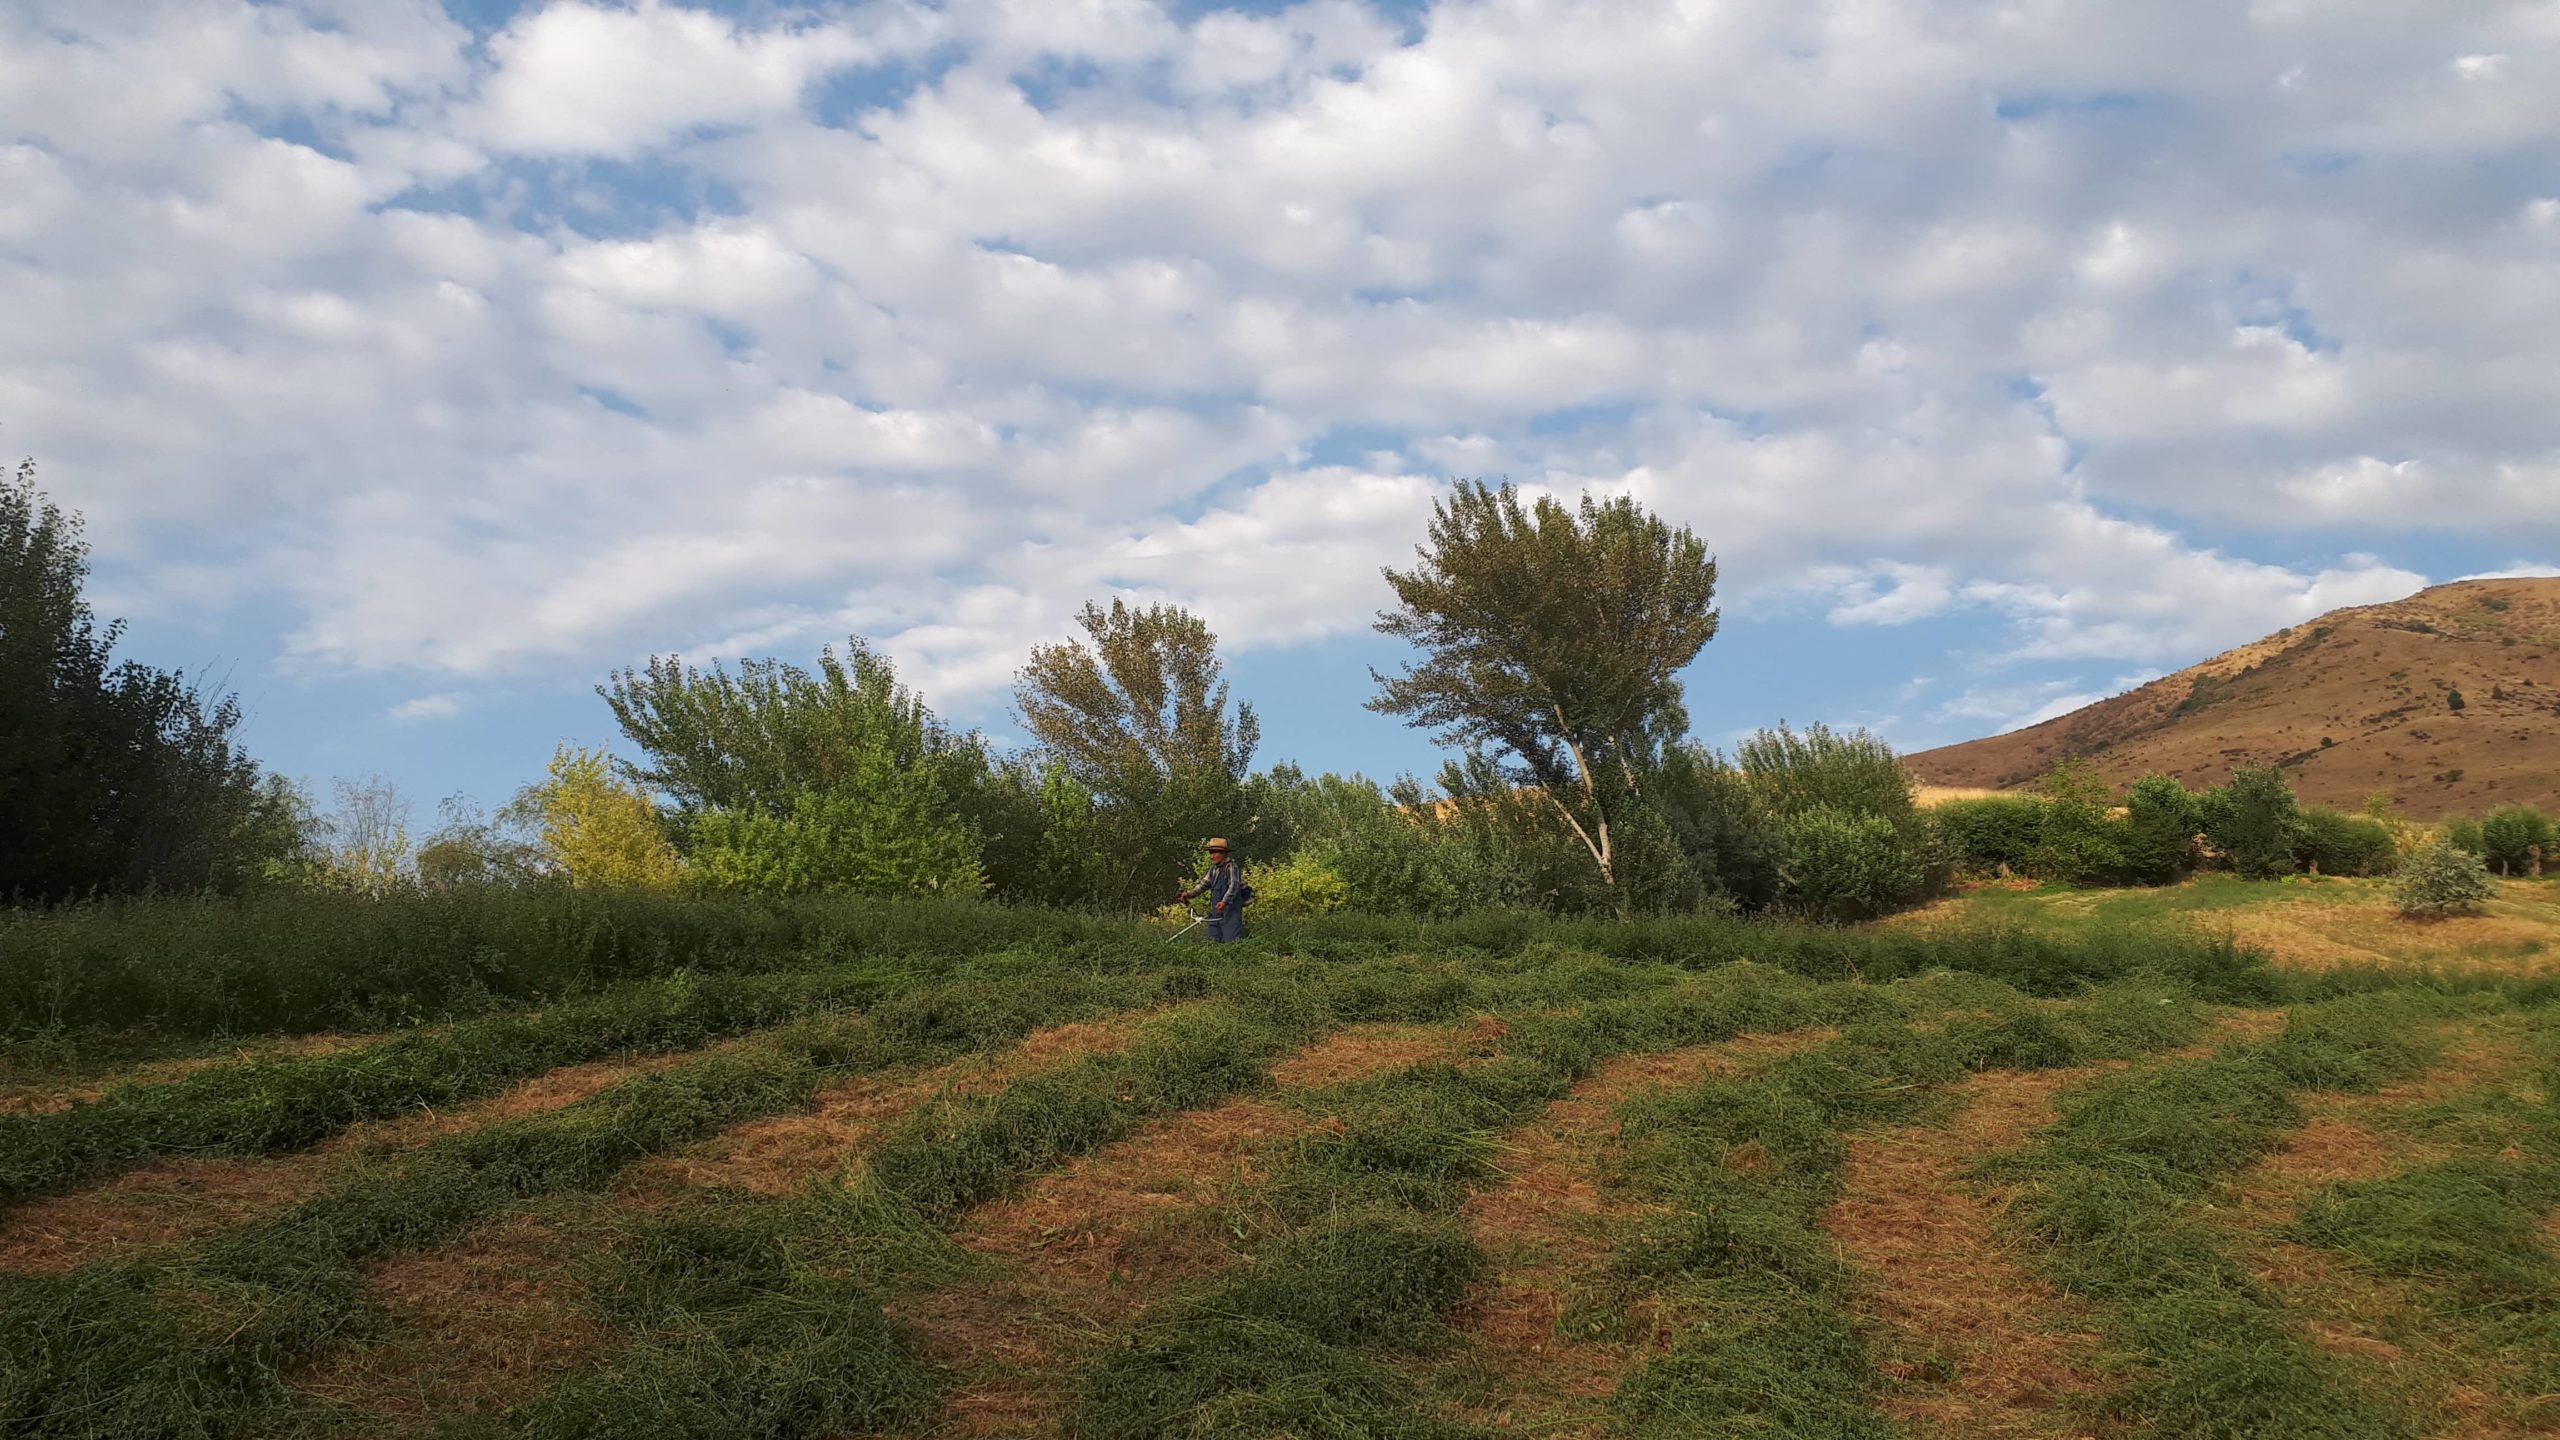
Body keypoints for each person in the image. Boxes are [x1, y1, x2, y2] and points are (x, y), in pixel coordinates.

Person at [1177, 837, 1247, 942]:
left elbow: (1234, 886)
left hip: (1230, 915)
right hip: (1216, 913)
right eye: (1210, 853)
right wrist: (1189, 894)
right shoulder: (1213, 869)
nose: (1211, 857)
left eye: (1214, 853)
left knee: (1232, 943)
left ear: (1223, 853)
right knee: (1211, 942)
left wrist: (1225, 901)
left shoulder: (1231, 867)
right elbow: (1203, 885)